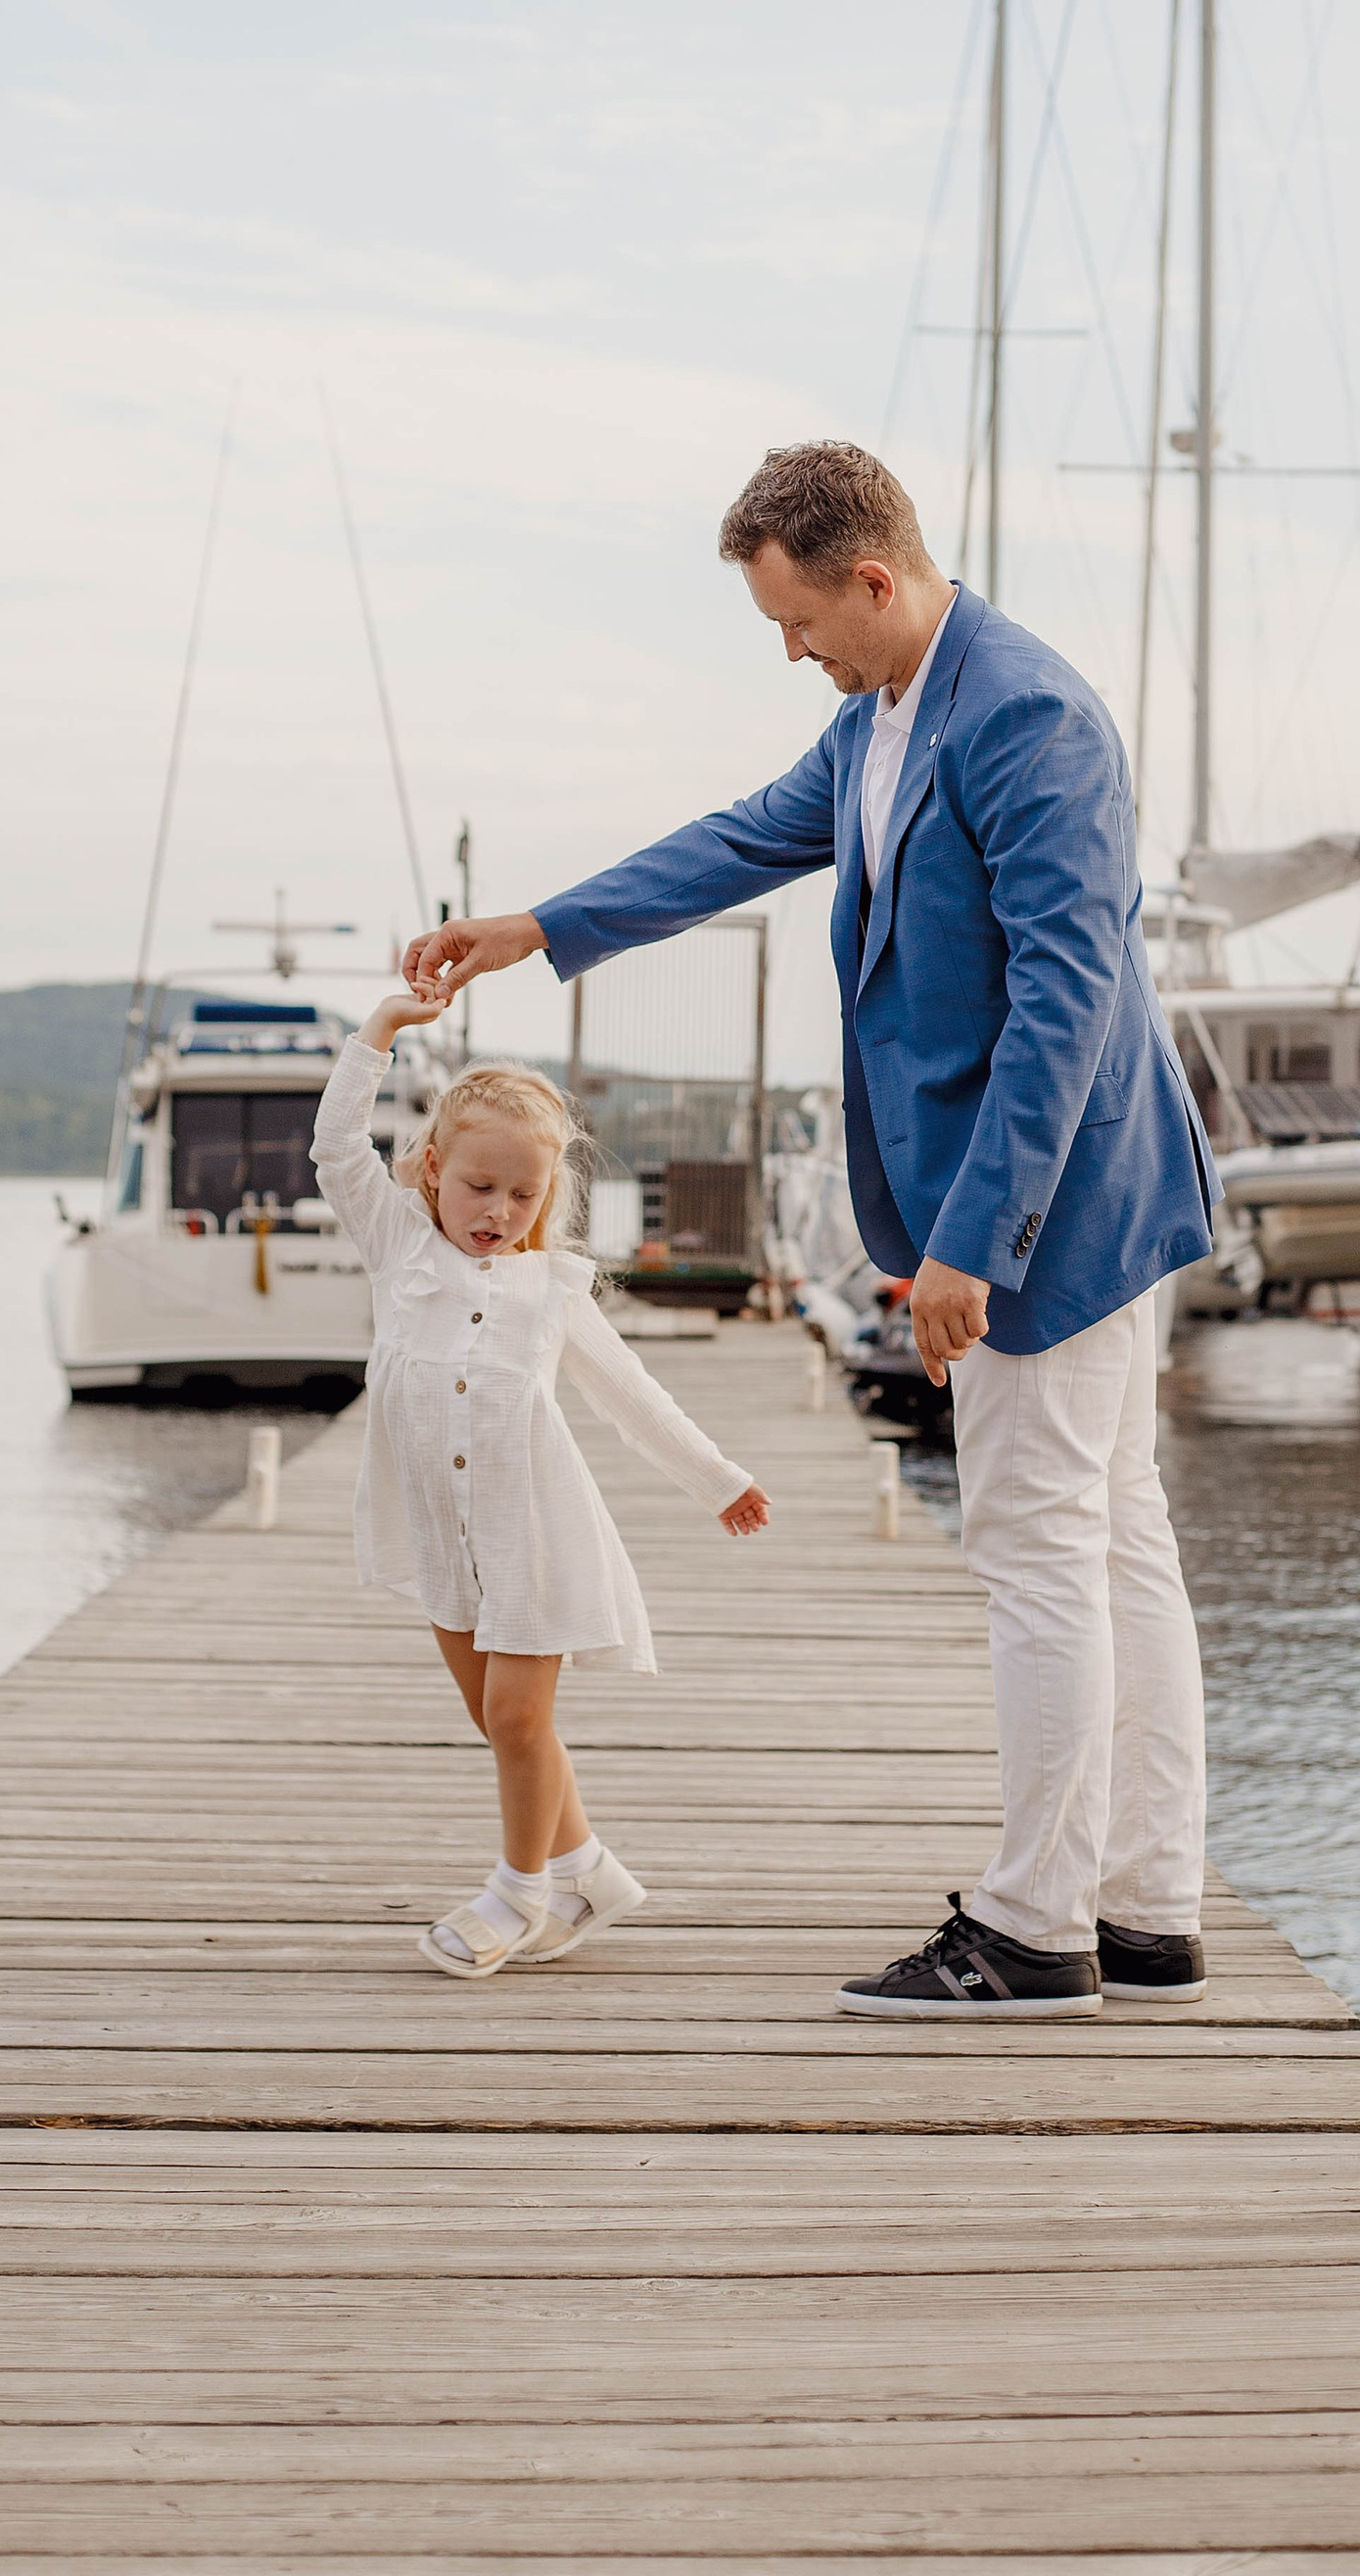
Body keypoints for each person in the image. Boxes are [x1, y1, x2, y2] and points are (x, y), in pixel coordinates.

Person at [404, 439, 1222, 2020]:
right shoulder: (880, 717)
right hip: (1043, 1186)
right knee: (1115, 1540)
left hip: (1055, 1192)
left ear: (872, 575)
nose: (791, 654)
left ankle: (1036, 1928)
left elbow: (1073, 996)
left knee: (1048, 1546)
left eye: (798, 622)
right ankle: (1149, 1909)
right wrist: (538, 928)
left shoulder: (1027, 716)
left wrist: (974, 1239)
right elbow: (738, 839)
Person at [310, 1000, 771, 1979]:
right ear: (435, 1168)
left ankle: (517, 1895)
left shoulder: (552, 1289)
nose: (498, 1214)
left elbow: (629, 1395)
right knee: (502, 1723)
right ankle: (589, 1870)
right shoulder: (398, 1249)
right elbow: (334, 1148)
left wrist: (715, 1479)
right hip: (443, 1538)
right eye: (480, 1187)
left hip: (534, 1539)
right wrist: (379, 1034)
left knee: (518, 1721)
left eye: (522, 1197)